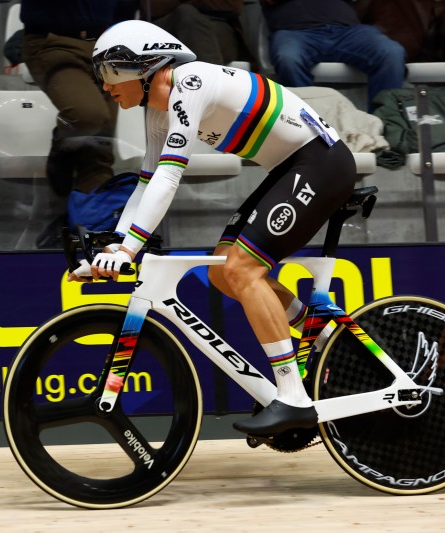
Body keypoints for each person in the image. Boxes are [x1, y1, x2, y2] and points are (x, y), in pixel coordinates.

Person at [73, 20, 359, 436]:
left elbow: (170, 179)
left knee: (242, 270)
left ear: (148, 65)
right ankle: (325, 339)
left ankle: (294, 398)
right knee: (223, 272)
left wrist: (127, 251)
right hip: (292, 166)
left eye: (112, 71)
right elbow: (146, 182)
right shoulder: (158, 109)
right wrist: (116, 245)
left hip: (321, 163)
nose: (105, 85)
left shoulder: (189, 82)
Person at [19, 0, 137, 248]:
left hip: (107, 42)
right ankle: (60, 214)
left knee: (100, 147)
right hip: (53, 41)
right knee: (88, 117)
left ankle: (88, 228)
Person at [259, 0, 406, 112]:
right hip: (296, 32)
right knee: (288, 58)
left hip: (347, 31)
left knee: (391, 52)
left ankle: (385, 125)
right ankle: (310, 131)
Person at [141, 0, 259, 69]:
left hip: (218, 30)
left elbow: (232, 5)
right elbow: (152, 7)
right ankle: (211, 95)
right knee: (186, 14)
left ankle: (208, 92)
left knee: (188, 16)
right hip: (168, 29)